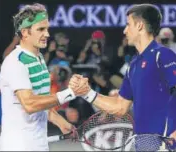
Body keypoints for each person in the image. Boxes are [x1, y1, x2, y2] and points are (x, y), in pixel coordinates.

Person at [69, 4, 176, 149]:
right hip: (143, 144)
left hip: (166, 143)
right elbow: (119, 107)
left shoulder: (162, 55)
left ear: (139, 26)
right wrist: (87, 93)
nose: (125, 31)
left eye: (128, 24)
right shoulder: (133, 65)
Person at [0, 3, 89, 151]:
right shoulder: (16, 62)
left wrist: (61, 122)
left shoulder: (38, 58)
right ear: (25, 32)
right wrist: (71, 93)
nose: (47, 34)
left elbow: (42, 101)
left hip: (39, 144)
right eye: (41, 29)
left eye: (47, 29)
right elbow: (30, 104)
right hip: (18, 146)